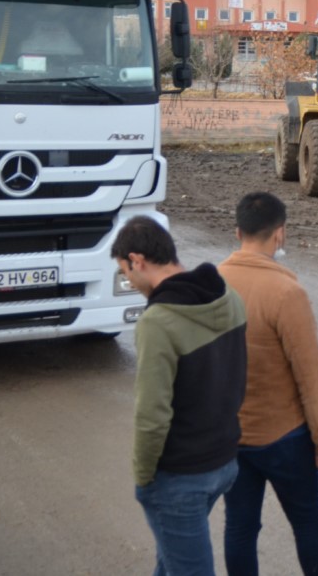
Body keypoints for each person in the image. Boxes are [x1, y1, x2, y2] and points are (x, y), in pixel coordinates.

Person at [113, 217, 248, 576]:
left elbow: (152, 415)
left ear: (137, 260)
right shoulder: (227, 296)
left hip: (180, 476)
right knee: (171, 559)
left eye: (125, 272)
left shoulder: (158, 322)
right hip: (224, 463)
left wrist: (144, 478)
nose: (128, 280)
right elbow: (237, 377)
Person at [216, 192, 318, 576]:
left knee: (239, 527)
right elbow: (310, 374)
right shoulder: (288, 293)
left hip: (231, 436)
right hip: (285, 437)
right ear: (280, 233)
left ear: (238, 232)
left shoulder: (213, 285)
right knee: (308, 522)